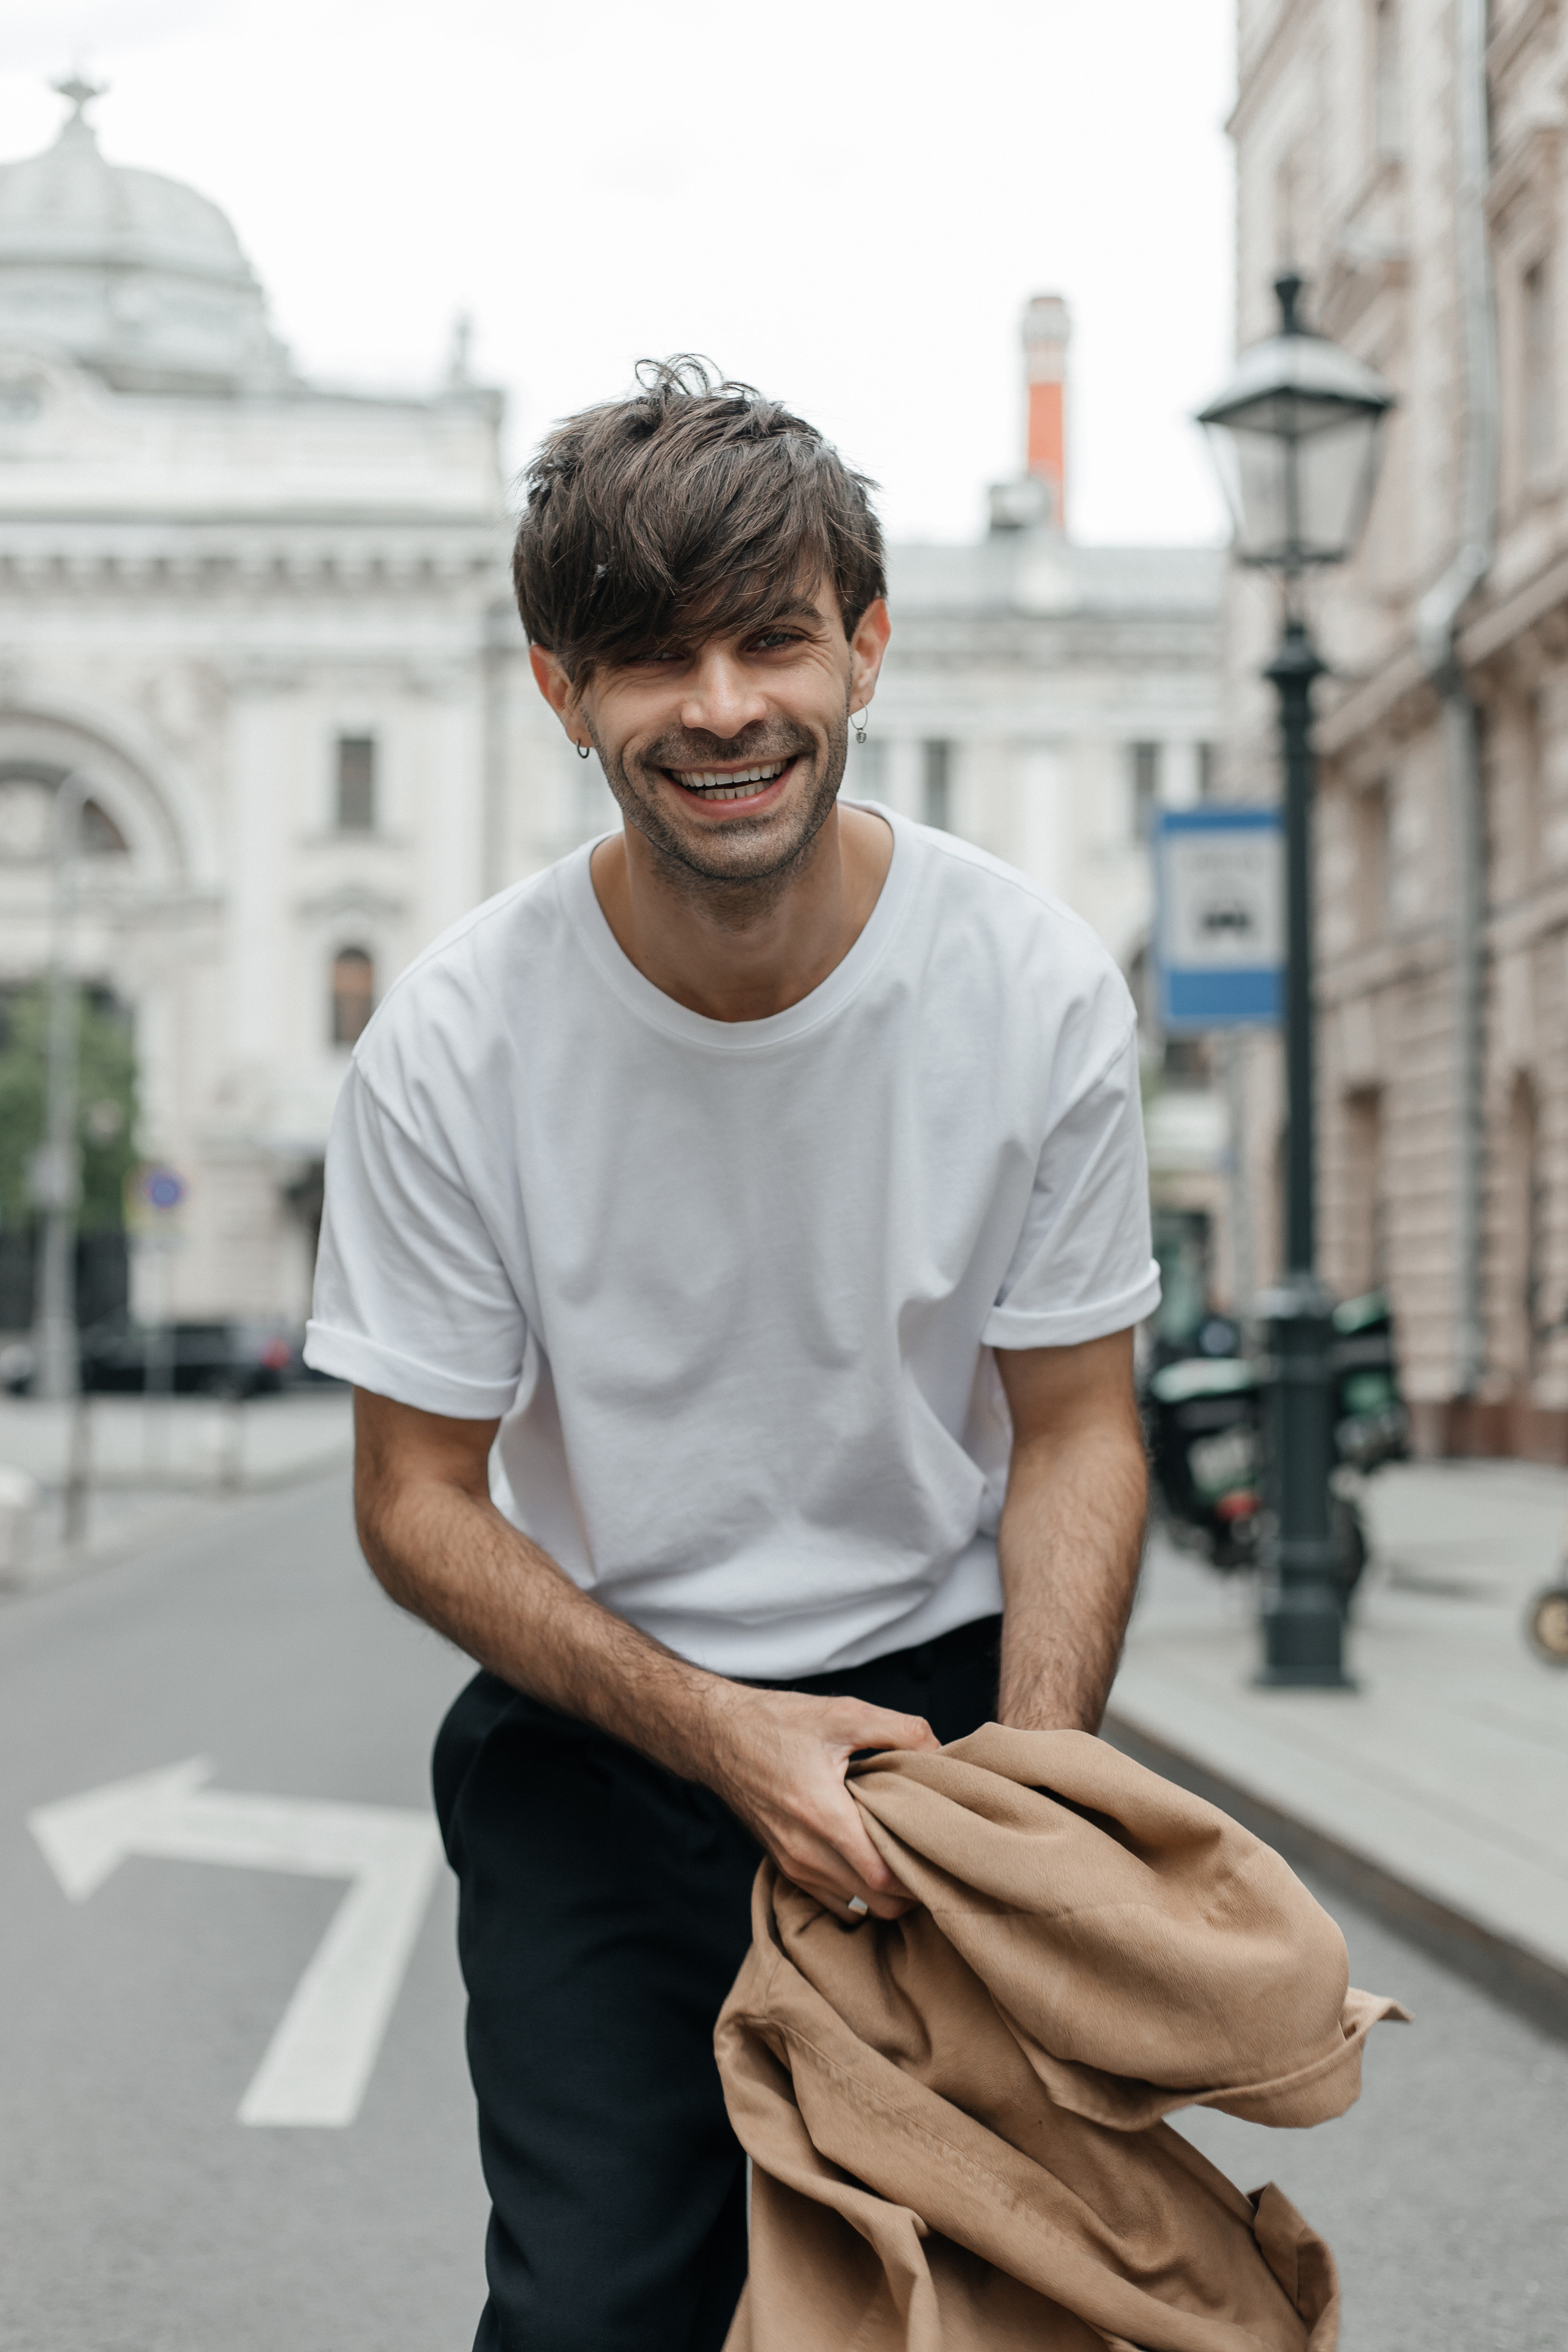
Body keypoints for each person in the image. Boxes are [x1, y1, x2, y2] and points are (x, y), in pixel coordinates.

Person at [304, 357, 1159, 2352]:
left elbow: (1079, 1434)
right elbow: (413, 1500)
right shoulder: (453, 1038)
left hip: (951, 1730)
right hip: (602, 1739)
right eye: (646, 659)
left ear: (866, 646)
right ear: (558, 691)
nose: (719, 707)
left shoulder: (1027, 983)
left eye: (772, 637)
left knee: (963, 2305)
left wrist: (1030, 1802)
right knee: (602, 2309)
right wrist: (718, 1732)